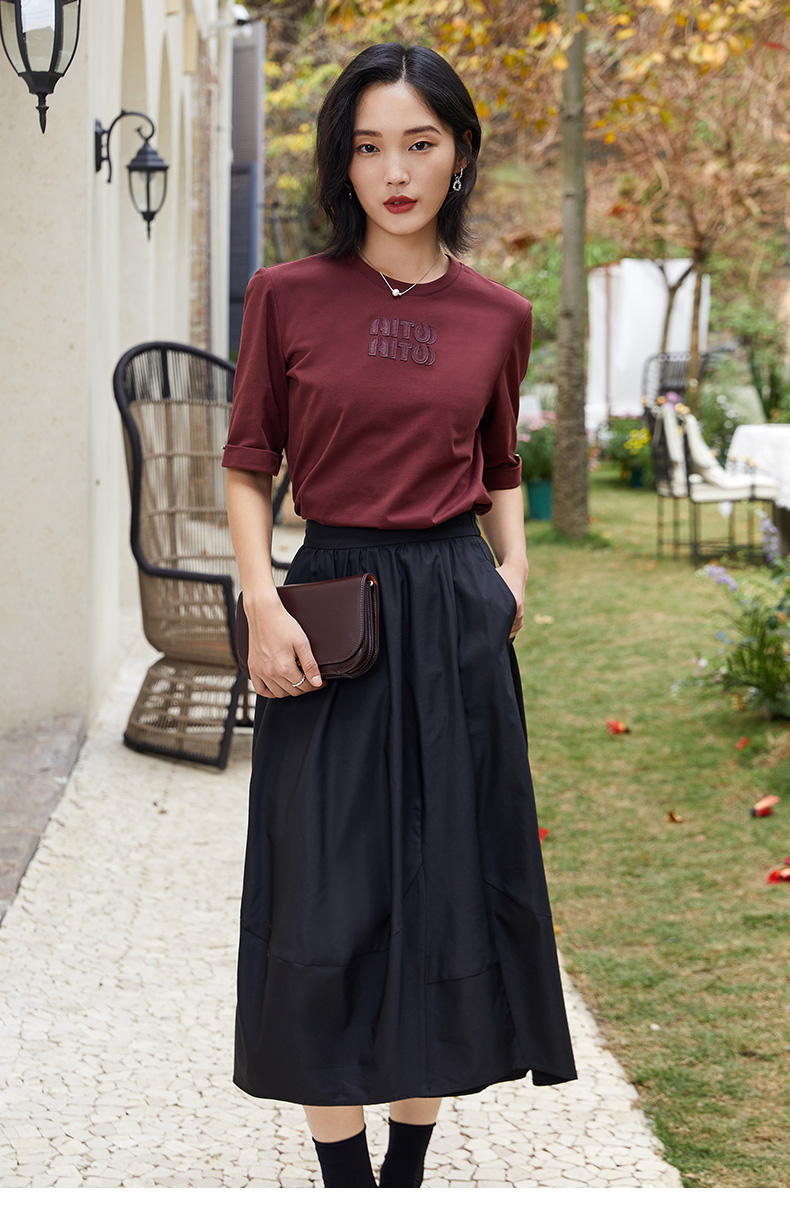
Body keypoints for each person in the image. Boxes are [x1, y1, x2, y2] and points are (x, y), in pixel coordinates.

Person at [222, 42, 577, 1189]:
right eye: (369, 146)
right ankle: (345, 1181)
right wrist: (260, 596)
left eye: (419, 143)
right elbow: (248, 460)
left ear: (458, 153)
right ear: (343, 163)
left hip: (454, 617)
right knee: (320, 904)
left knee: (441, 894)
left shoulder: (499, 314)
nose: (395, 170)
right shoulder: (284, 295)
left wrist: (513, 565)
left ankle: (407, 1172)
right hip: (327, 615)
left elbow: (500, 457)